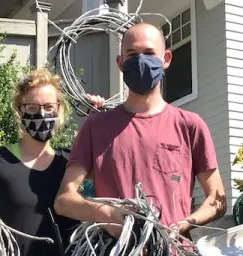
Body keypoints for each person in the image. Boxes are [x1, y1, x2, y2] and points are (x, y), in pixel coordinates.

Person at [54, 23, 227, 241]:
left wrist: (183, 225)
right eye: (132, 54)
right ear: (120, 63)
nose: (141, 60)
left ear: (166, 59)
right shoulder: (96, 126)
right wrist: (104, 213)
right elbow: (63, 200)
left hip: (173, 249)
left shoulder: (190, 125)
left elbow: (217, 199)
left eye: (148, 53)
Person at [0, 68, 104, 256]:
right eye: (32, 107)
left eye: (48, 107)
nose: (42, 114)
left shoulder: (70, 162)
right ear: (20, 110)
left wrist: (99, 120)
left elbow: (112, 166)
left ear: (59, 109)